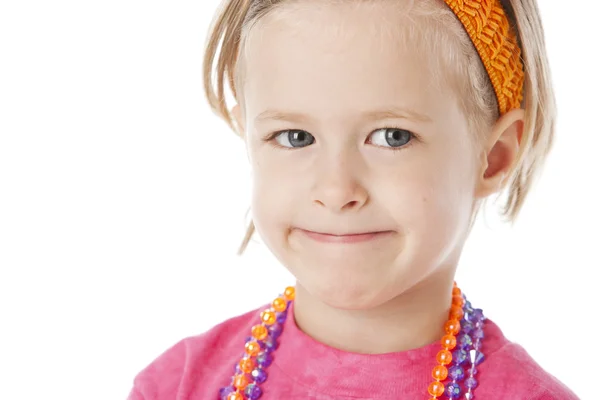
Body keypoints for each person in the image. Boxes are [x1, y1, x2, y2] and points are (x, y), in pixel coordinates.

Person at [127, 0, 579, 398]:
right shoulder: (176, 386)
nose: (336, 190)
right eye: (295, 136)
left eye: (392, 136)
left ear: (493, 158)